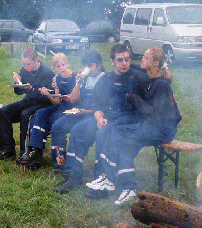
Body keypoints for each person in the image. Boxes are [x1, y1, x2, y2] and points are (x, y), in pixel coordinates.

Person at [85, 47, 181, 205]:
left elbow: (154, 114)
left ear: (155, 63)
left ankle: (108, 178)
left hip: (163, 129)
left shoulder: (161, 85)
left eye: (145, 58)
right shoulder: (150, 77)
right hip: (152, 125)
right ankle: (128, 188)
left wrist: (135, 99)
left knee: (117, 133)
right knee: (124, 145)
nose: (141, 60)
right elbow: (132, 66)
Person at [54, 44, 148, 194]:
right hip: (106, 116)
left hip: (128, 118)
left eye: (127, 59)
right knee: (78, 130)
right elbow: (97, 104)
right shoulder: (106, 79)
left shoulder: (138, 77)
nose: (124, 63)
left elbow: (156, 76)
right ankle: (73, 175)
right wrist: (99, 117)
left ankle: (101, 181)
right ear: (112, 62)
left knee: (103, 133)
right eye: (120, 60)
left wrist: (166, 72)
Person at [49, 50, 105, 175]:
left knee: (77, 130)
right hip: (80, 112)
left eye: (90, 66)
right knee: (57, 126)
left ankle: (72, 167)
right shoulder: (86, 79)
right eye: (86, 66)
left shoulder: (104, 79)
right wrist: (79, 81)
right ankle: (59, 162)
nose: (88, 69)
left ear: (99, 66)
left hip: (94, 115)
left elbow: (104, 107)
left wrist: (86, 111)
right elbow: (74, 99)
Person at [0, 48, 55, 161]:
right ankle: (7, 150)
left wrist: (31, 89)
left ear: (36, 60)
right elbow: (18, 92)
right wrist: (18, 83)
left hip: (43, 104)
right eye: (24, 64)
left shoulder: (47, 73)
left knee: (25, 114)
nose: (26, 66)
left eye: (28, 64)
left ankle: (25, 152)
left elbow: (47, 96)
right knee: (4, 112)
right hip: (28, 101)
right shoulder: (25, 70)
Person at [18, 53, 77, 168]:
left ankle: (57, 161)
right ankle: (35, 149)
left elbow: (80, 99)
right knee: (39, 114)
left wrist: (72, 97)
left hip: (73, 109)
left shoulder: (76, 78)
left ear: (68, 64)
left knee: (55, 126)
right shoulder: (56, 79)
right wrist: (48, 95)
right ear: (55, 68)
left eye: (63, 65)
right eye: (58, 67)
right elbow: (56, 101)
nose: (62, 68)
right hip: (60, 107)